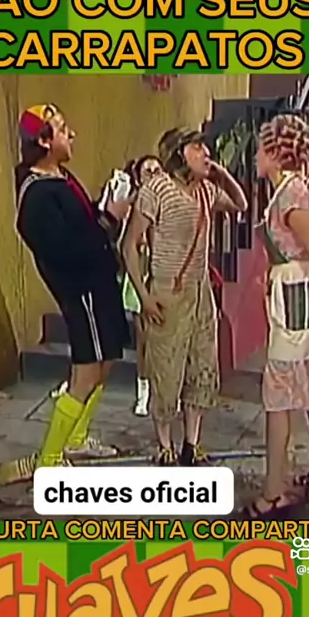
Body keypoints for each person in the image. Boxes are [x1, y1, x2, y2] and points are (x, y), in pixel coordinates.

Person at [0, 104, 132, 485]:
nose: (72, 135)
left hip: (100, 282)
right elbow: (66, 249)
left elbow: (82, 225)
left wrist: (104, 208)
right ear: (43, 141)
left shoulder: (60, 177)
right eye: (62, 128)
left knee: (107, 360)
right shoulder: (36, 195)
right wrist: (110, 217)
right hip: (81, 290)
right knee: (86, 370)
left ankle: (76, 438)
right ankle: (50, 460)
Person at [241, 114, 309, 519]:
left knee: (279, 394)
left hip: (301, 303)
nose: (255, 156)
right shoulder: (286, 191)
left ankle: (274, 493)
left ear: (275, 153)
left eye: (260, 149)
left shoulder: (292, 196)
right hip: (294, 297)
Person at [123, 128, 248, 465]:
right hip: (167, 290)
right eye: (197, 147)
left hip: (200, 290)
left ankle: (192, 443)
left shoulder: (206, 191)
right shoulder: (157, 189)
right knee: (166, 367)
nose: (205, 152)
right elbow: (130, 245)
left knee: (201, 364)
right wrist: (144, 296)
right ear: (179, 153)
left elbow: (241, 204)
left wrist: (221, 174)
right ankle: (164, 444)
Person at [120, 155, 163, 416]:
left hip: (164, 272)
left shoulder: (169, 201)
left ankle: (164, 388)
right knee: (143, 338)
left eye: (157, 170)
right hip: (141, 271)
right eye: (148, 171)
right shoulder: (133, 204)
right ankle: (143, 391)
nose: (154, 174)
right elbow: (126, 242)